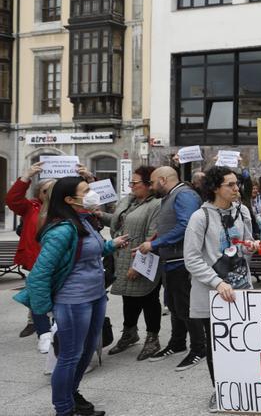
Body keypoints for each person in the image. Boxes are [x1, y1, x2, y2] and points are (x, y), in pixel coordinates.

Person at [14, 176, 129, 416]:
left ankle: (72, 395)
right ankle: (64, 409)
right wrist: (44, 311)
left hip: (96, 296)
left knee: (86, 354)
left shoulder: (84, 220)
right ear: (69, 199)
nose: (91, 194)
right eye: (86, 190)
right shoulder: (62, 230)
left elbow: (89, 251)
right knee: (70, 356)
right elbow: (40, 273)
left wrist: (112, 245)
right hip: (74, 300)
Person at [184, 166, 259, 412]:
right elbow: (192, 259)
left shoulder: (243, 211)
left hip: (241, 289)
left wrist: (253, 245)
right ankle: (221, 390)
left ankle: (245, 387)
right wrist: (218, 283)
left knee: (244, 342)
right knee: (217, 346)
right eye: (230, 185)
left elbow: (244, 245)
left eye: (237, 184)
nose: (237, 188)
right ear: (216, 188)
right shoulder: (200, 217)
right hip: (213, 294)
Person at [135, 166, 204, 371]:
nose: (151, 186)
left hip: (182, 261)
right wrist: (154, 241)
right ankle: (177, 342)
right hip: (171, 260)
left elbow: (186, 226)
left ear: (163, 180)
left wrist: (155, 244)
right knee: (174, 306)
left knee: (185, 306)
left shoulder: (184, 195)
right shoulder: (172, 195)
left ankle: (199, 348)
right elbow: (172, 224)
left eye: (153, 182)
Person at [99, 166, 162, 360]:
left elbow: (153, 236)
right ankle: (130, 332)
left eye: (135, 182)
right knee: (129, 298)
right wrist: (101, 216)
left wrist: (139, 265)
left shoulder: (156, 205)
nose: (131, 186)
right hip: (123, 257)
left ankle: (152, 338)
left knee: (149, 299)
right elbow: (121, 224)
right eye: (131, 182)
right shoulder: (131, 201)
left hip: (142, 259)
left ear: (149, 185)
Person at [5, 161, 55, 348]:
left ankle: (56, 328)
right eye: (46, 191)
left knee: (59, 297)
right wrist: (26, 177)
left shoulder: (66, 208)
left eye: (54, 190)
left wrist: (89, 179)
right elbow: (13, 200)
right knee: (38, 297)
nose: (50, 194)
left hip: (59, 262)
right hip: (37, 261)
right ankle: (43, 332)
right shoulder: (30, 207)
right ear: (38, 195)